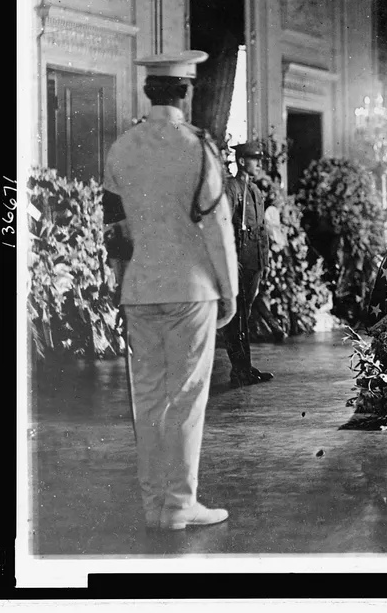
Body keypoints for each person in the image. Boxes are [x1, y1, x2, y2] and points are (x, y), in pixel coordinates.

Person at [102, 50, 237, 530]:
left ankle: (153, 506)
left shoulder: (122, 148)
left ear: (148, 90)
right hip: (192, 289)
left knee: (149, 399)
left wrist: (126, 279)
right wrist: (231, 289)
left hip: (139, 288)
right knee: (186, 396)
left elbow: (115, 229)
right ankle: (180, 504)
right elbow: (219, 226)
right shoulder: (197, 147)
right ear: (187, 90)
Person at [222, 141, 274, 388]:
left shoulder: (254, 190)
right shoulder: (231, 188)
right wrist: (232, 260)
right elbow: (223, 226)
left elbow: (261, 229)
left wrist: (265, 260)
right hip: (239, 260)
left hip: (254, 260)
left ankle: (245, 368)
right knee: (237, 316)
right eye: (255, 159)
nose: (259, 164)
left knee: (246, 313)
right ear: (242, 161)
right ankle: (238, 370)